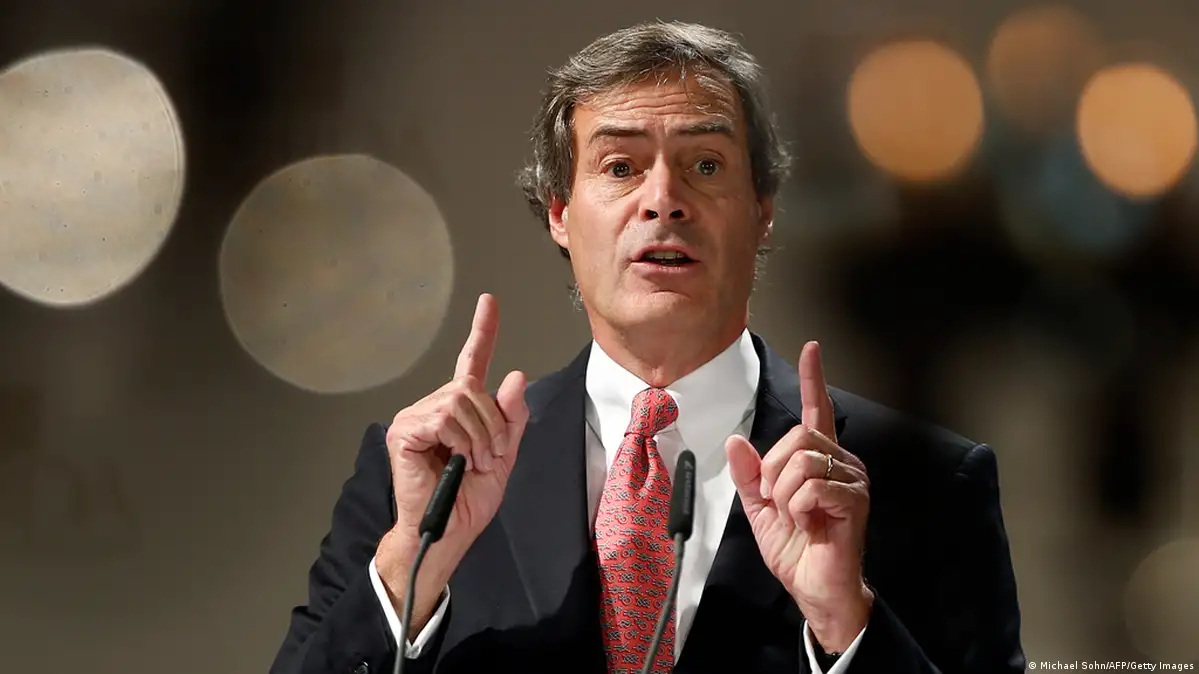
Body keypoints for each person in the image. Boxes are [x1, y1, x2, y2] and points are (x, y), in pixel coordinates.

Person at [270, 20, 1025, 674]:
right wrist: (409, 565)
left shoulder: (927, 482)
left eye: (705, 166)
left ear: (761, 211)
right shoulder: (423, 478)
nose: (663, 199)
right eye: (620, 167)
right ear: (560, 213)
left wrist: (845, 627)